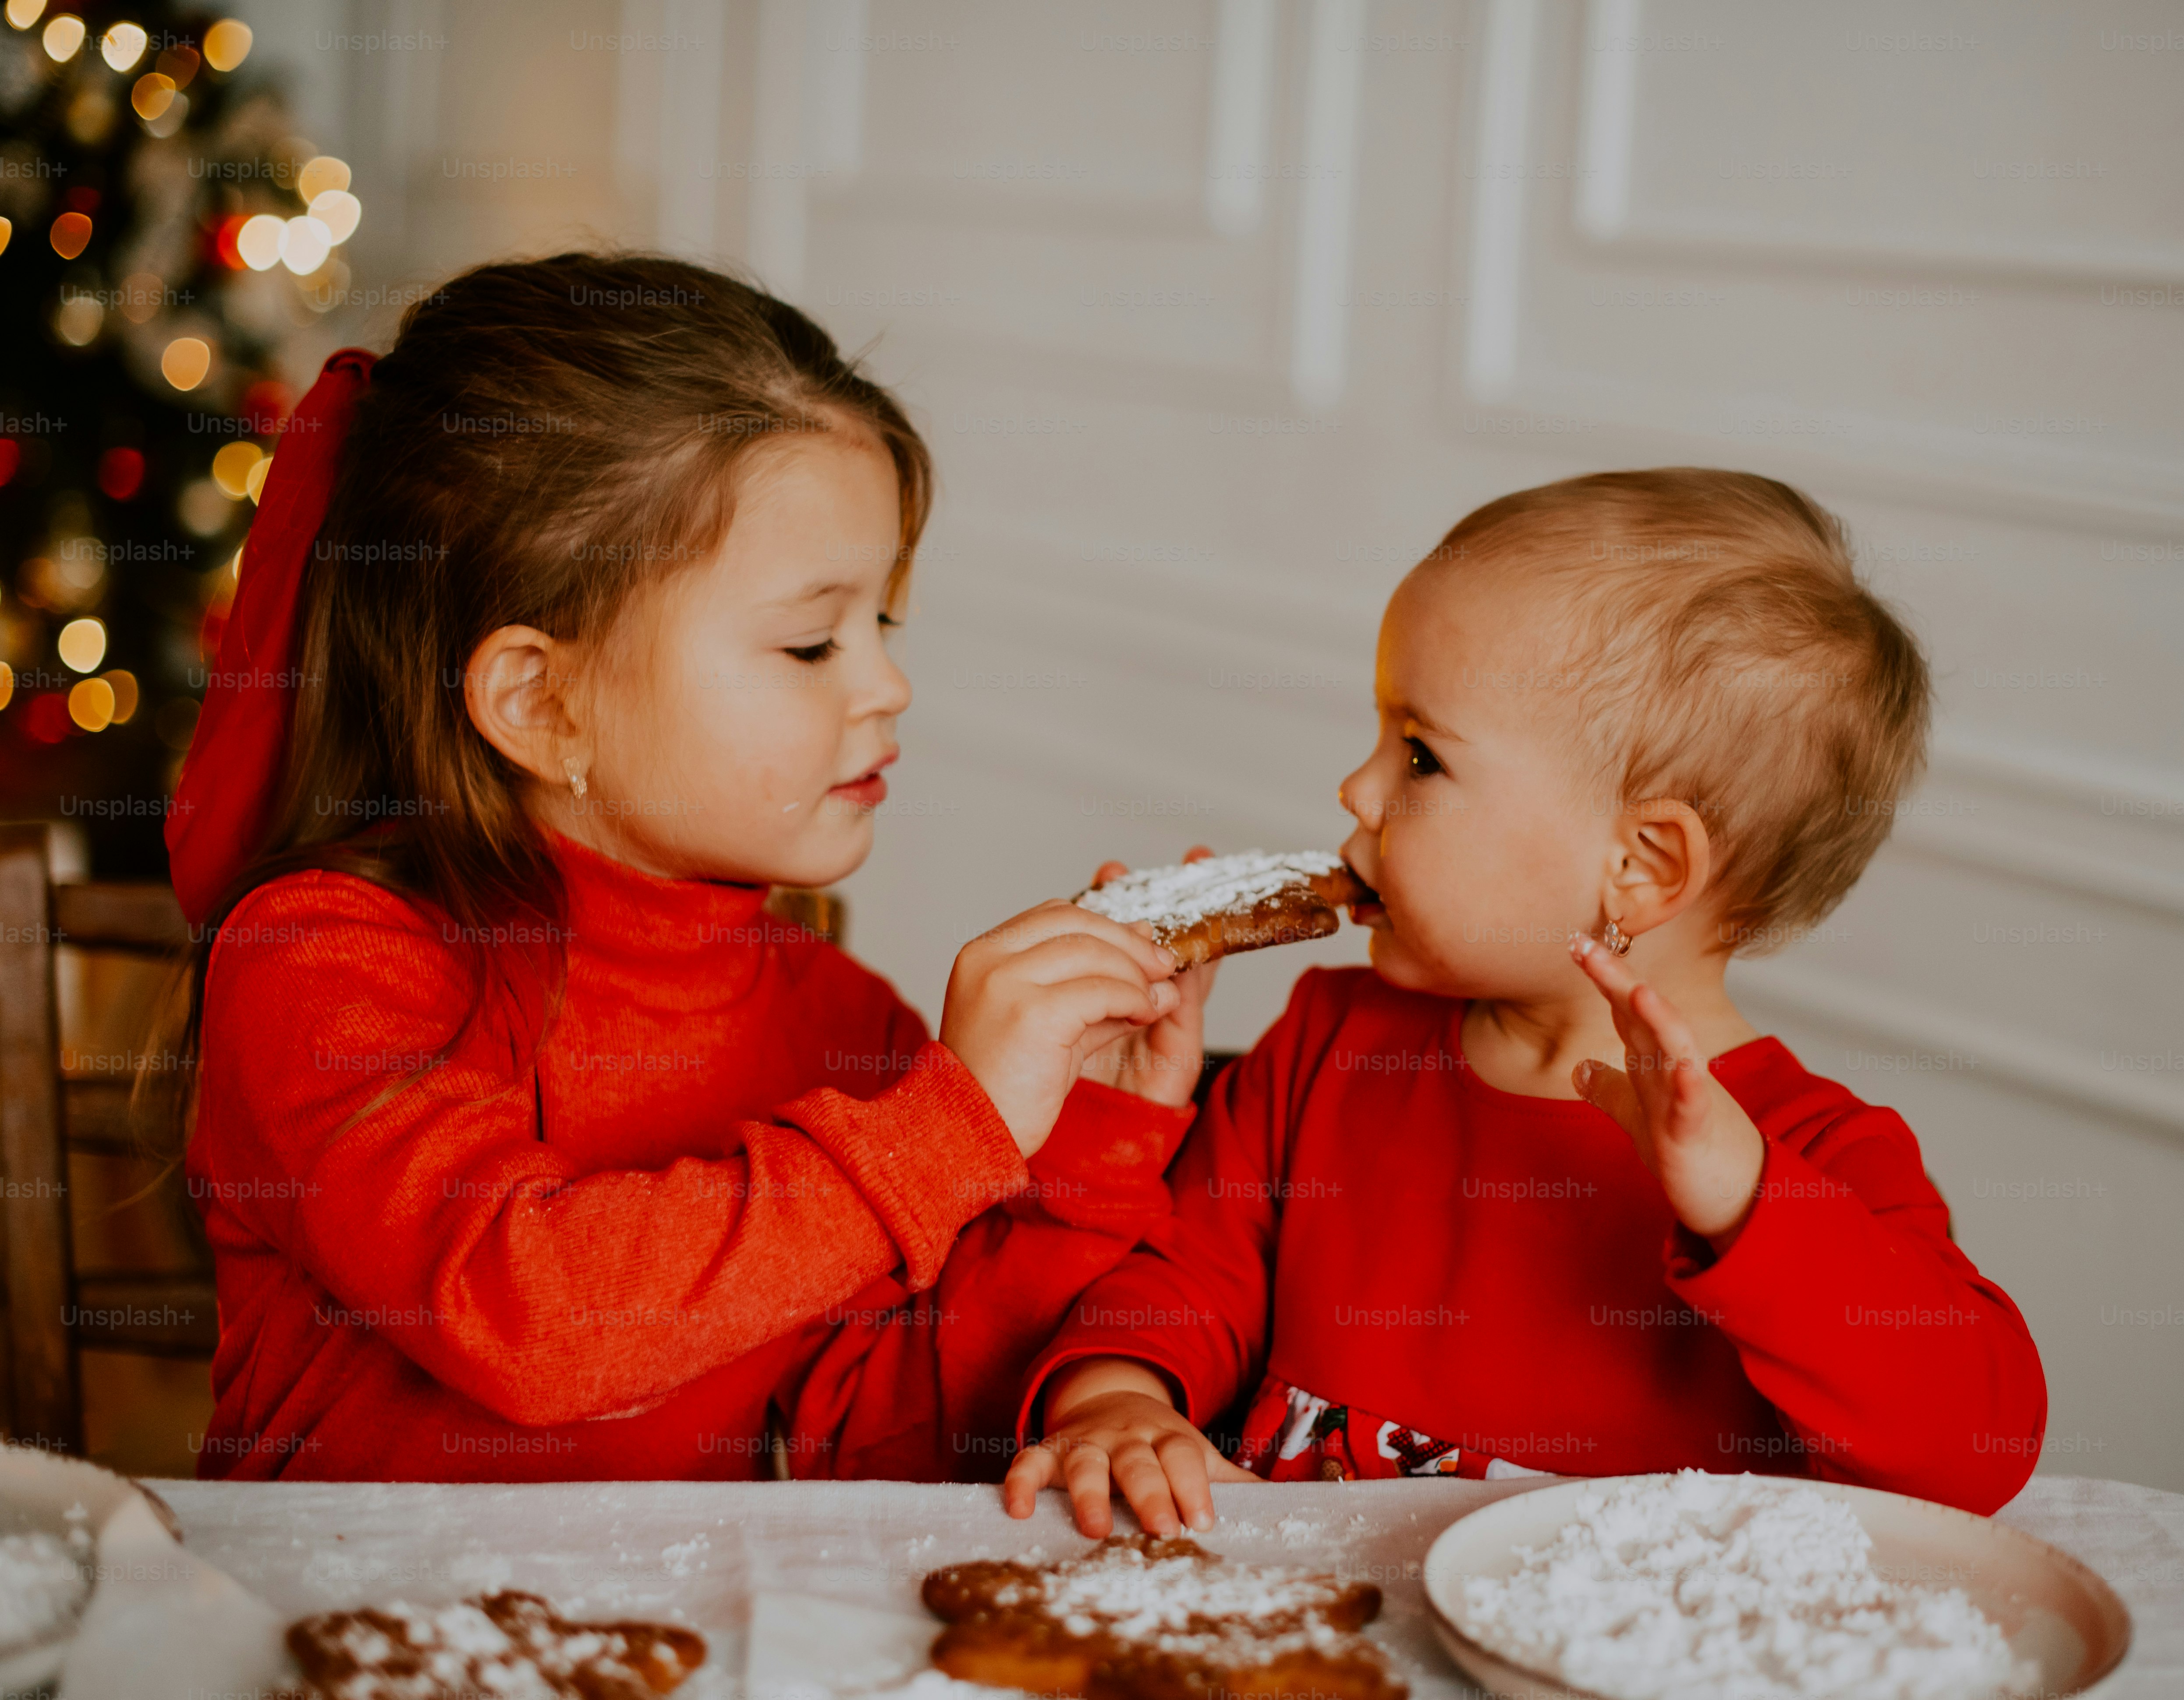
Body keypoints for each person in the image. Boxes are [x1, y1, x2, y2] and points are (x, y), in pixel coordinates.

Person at [169, 252, 1207, 1480]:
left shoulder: (839, 1020)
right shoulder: (325, 964)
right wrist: (946, 1129)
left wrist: (1081, 1143)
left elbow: (885, 1437)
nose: (888, 686)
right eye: (812, 641)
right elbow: (531, 1316)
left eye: (882, 625)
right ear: (543, 701)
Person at [1002, 470, 2049, 1532]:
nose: (1355, 790)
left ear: (1638, 863)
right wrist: (1121, 1397)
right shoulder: (1331, 1039)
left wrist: (1744, 1203)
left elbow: (1975, 1447)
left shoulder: (1807, 1153)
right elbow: (1180, 1273)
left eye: (1419, 755)